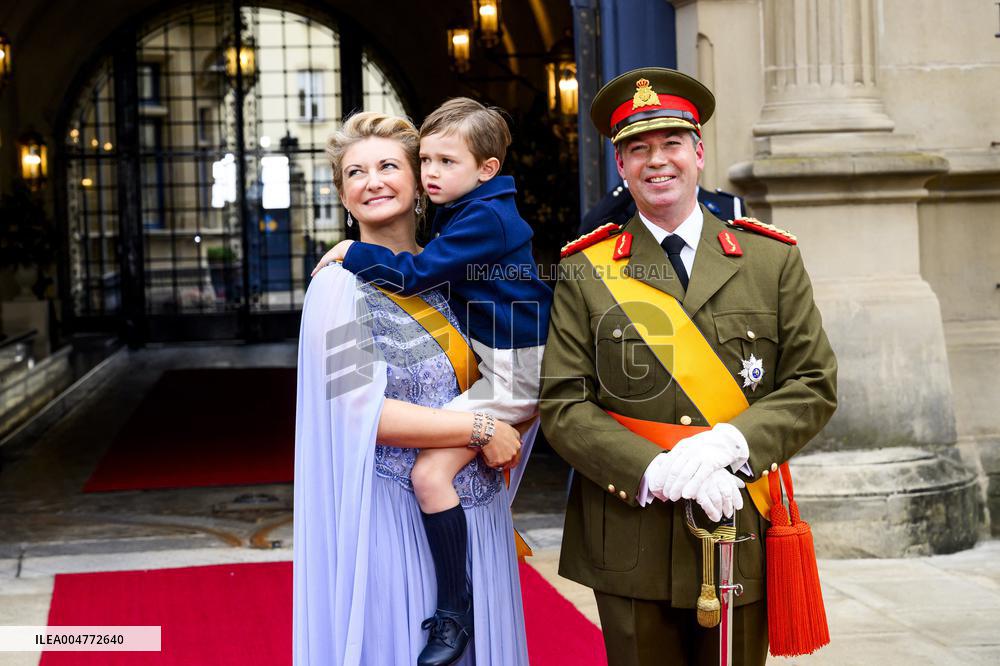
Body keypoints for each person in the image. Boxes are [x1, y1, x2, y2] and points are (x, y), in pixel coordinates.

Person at [538, 67, 838, 665]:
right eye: (637, 149)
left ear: (699, 153)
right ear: (620, 167)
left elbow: (813, 383)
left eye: (672, 143)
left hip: (738, 514)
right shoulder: (585, 268)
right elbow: (563, 403)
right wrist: (654, 468)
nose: (657, 161)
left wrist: (729, 444)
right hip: (630, 526)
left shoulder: (769, 259)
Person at [311, 98, 552, 665]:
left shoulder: (452, 272)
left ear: (420, 183)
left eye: (390, 166)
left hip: (478, 515)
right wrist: (482, 427)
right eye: (355, 172)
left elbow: (520, 366)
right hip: (397, 519)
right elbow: (359, 415)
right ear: (342, 195)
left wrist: (506, 422)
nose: (373, 182)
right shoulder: (337, 289)